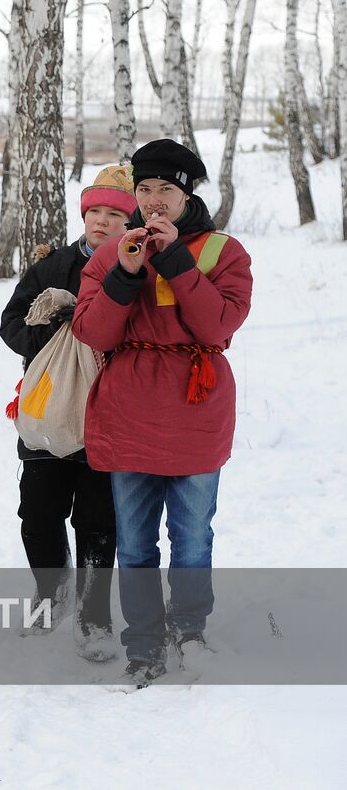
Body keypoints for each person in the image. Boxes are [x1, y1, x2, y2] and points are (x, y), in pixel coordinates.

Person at [72, 138, 252, 687]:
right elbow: (92, 330)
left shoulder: (224, 251)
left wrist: (174, 260)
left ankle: (190, 630)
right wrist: (125, 276)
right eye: (144, 189)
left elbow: (217, 326)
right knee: (135, 540)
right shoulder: (110, 252)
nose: (153, 201)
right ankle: (144, 644)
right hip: (130, 410)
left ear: (186, 193)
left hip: (195, 408)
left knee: (194, 534)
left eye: (165, 190)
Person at [0, 165, 135, 658]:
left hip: (106, 413)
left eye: (116, 214)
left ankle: (94, 615)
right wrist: (53, 332)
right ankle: (50, 591)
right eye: (95, 211)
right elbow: (10, 323)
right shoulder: (51, 266)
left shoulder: (138, 267)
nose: (103, 221)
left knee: (99, 521)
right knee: (37, 515)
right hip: (47, 408)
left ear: (130, 221)